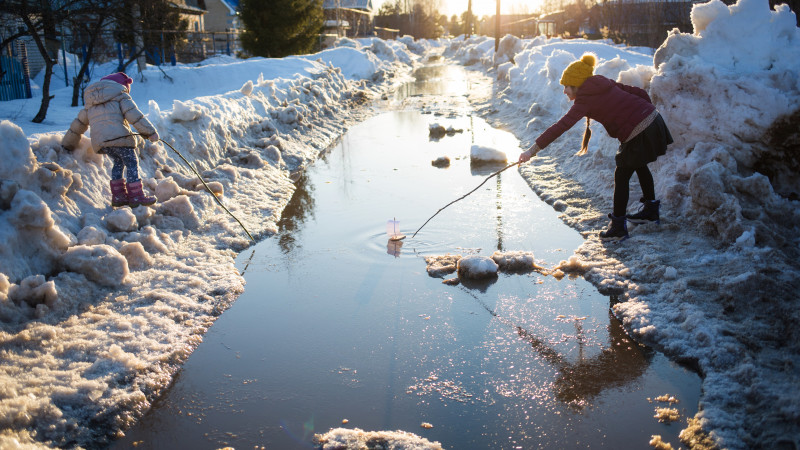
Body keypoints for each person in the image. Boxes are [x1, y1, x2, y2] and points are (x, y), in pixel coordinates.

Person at [518, 53, 672, 241]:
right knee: (639, 164)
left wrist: (531, 151)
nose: (564, 91)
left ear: (577, 84)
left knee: (622, 173)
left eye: (566, 86)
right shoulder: (602, 82)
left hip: (640, 128)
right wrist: (644, 112)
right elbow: (638, 93)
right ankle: (650, 210)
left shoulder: (585, 100)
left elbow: (561, 126)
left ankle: (618, 227)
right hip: (653, 119)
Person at [61, 72, 159, 208]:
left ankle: (118, 196)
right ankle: (136, 196)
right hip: (119, 138)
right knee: (131, 162)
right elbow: (134, 116)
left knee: (118, 162)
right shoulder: (121, 96)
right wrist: (150, 132)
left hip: (102, 143)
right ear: (122, 86)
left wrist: (68, 144)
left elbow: (78, 125)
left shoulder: (91, 103)